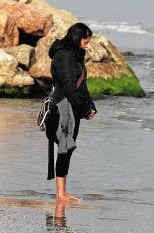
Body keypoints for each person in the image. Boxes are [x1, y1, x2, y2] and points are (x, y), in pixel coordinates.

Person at [47, 22, 97, 201]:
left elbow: (81, 83)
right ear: (77, 39)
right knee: (64, 147)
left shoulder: (77, 54)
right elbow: (68, 86)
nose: (87, 45)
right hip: (60, 108)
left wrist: (90, 106)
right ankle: (60, 194)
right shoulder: (63, 56)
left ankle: (63, 192)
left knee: (68, 148)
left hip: (73, 108)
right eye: (86, 41)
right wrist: (84, 109)